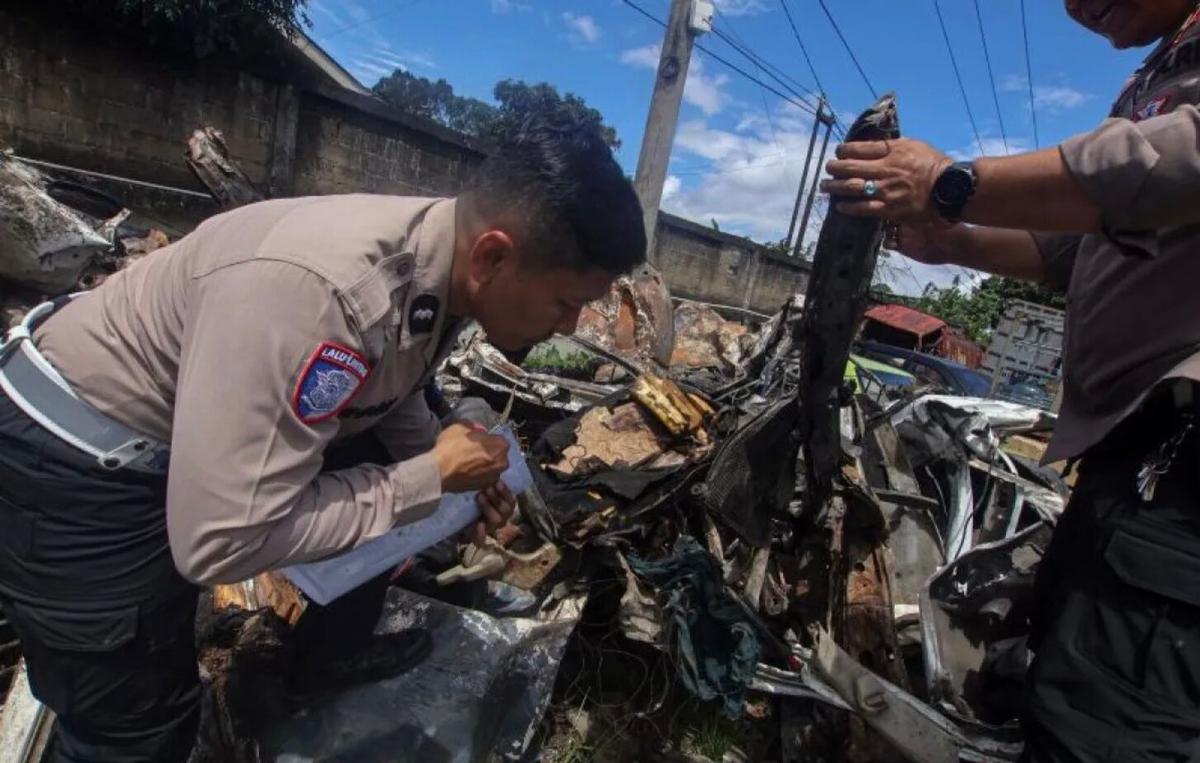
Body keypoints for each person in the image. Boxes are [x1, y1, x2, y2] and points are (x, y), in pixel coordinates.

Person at [0, 120, 647, 762]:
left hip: (161, 443)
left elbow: (385, 386)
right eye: (567, 301)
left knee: (378, 457)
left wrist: (455, 477)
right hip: (75, 461)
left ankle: (320, 660)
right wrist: (429, 478)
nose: (574, 325)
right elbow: (217, 540)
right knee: (133, 727)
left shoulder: (441, 260)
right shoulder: (327, 296)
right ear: (493, 257)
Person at [822, 1, 1200, 759]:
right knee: (1053, 689)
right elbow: (1074, 250)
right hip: (1130, 459)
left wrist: (948, 182)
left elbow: (1166, 164)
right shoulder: (1159, 68)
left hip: (1187, 470)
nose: (1082, 8)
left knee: (1111, 731)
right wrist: (953, 239)